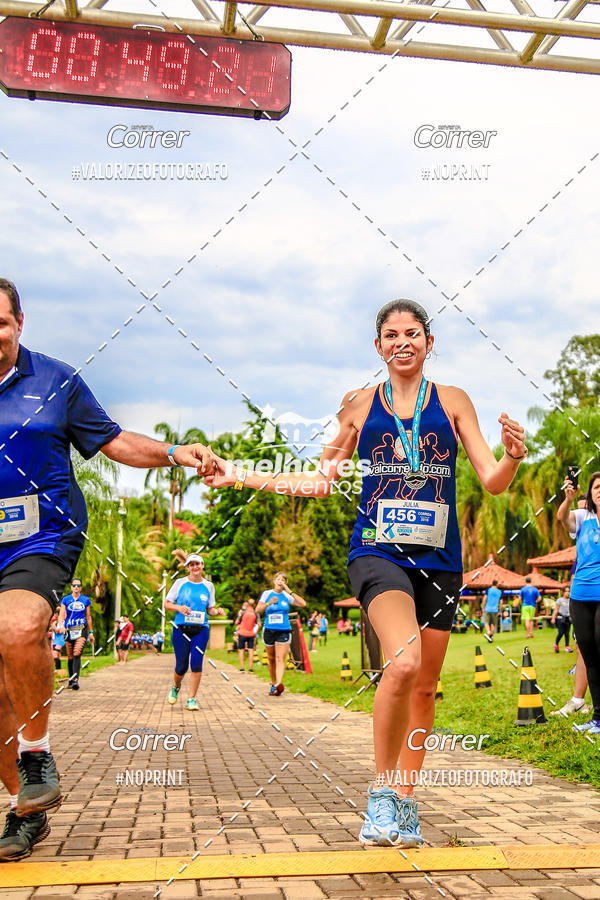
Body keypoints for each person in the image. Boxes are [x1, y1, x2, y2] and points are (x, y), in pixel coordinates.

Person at [205, 298, 527, 846]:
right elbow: (320, 480)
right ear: (378, 346)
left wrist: (513, 456)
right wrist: (239, 476)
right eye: (391, 334)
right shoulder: (359, 406)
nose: (403, 341)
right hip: (378, 554)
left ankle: (406, 798)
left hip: (441, 560)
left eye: (414, 332)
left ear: (429, 342)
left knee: (425, 686)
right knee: (403, 664)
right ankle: (379, 793)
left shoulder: (453, 402)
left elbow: (492, 480)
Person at [0, 278, 217, 861]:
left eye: (0, 322)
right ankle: (28, 807)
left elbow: (113, 440)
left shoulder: (56, 381)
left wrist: (176, 452)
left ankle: (36, 750)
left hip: (41, 536)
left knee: (17, 627)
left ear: (20, 322)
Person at [558, 472, 600, 733]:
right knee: (590, 656)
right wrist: (568, 499)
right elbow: (563, 519)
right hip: (580, 595)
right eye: (597, 487)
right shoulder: (584, 517)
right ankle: (598, 719)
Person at [164, 554, 225, 710]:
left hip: (201, 629)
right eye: (191, 565)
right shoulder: (180, 583)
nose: (195, 567)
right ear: (188, 567)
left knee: (196, 663)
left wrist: (216, 612)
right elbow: (166, 604)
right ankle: (176, 687)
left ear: (202, 565)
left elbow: (209, 608)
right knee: (181, 666)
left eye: (197, 564)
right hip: (180, 629)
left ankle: (191, 699)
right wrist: (179, 608)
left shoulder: (209, 586)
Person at [255, 573, 306, 695]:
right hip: (269, 630)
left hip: (283, 630)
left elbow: (303, 604)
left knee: (280, 658)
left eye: (283, 580)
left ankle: (279, 684)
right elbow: (258, 610)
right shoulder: (267, 594)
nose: (280, 581)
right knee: (271, 659)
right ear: (273, 581)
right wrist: (269, 603)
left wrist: (289, 591)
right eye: (278, 579)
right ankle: (273, 684)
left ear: (285, 583)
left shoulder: (286, 595)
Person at [56, 578, 94, 689]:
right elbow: (62, 614)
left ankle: (76, 680)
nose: (76, 587)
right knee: (70, 656)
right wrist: (61, 626)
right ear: (71, 587)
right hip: (68, 629)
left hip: (81, 628)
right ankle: (71, 681)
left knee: (77, 652)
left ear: (81, 587)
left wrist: (91, 632)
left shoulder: (85, 600)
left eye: (78, 585)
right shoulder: (66, 599)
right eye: (74, 585)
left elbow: (88, 616)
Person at [236, 598, 259, 672]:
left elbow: (237, 622)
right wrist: (256, 632)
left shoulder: (243, 612)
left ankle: (242, 668)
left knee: (241, 651)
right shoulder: (256, 613)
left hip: (242, 633)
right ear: (254, 605)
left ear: (248, 604)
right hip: (251, 634)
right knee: (251, 651)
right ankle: (250, 668)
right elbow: (259, 624)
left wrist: (239, 618)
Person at [551, 585, 573, 653]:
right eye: (566, 591)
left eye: (569, 591)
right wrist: (553, 618)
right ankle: (556, 643)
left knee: (567, 633)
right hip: (560, 618)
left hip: (568, 618)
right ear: (563, 592)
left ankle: (567, 646)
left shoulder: (571, 600)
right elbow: (556, 609)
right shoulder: (559, 600)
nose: (567, 593)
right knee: (561, 633)